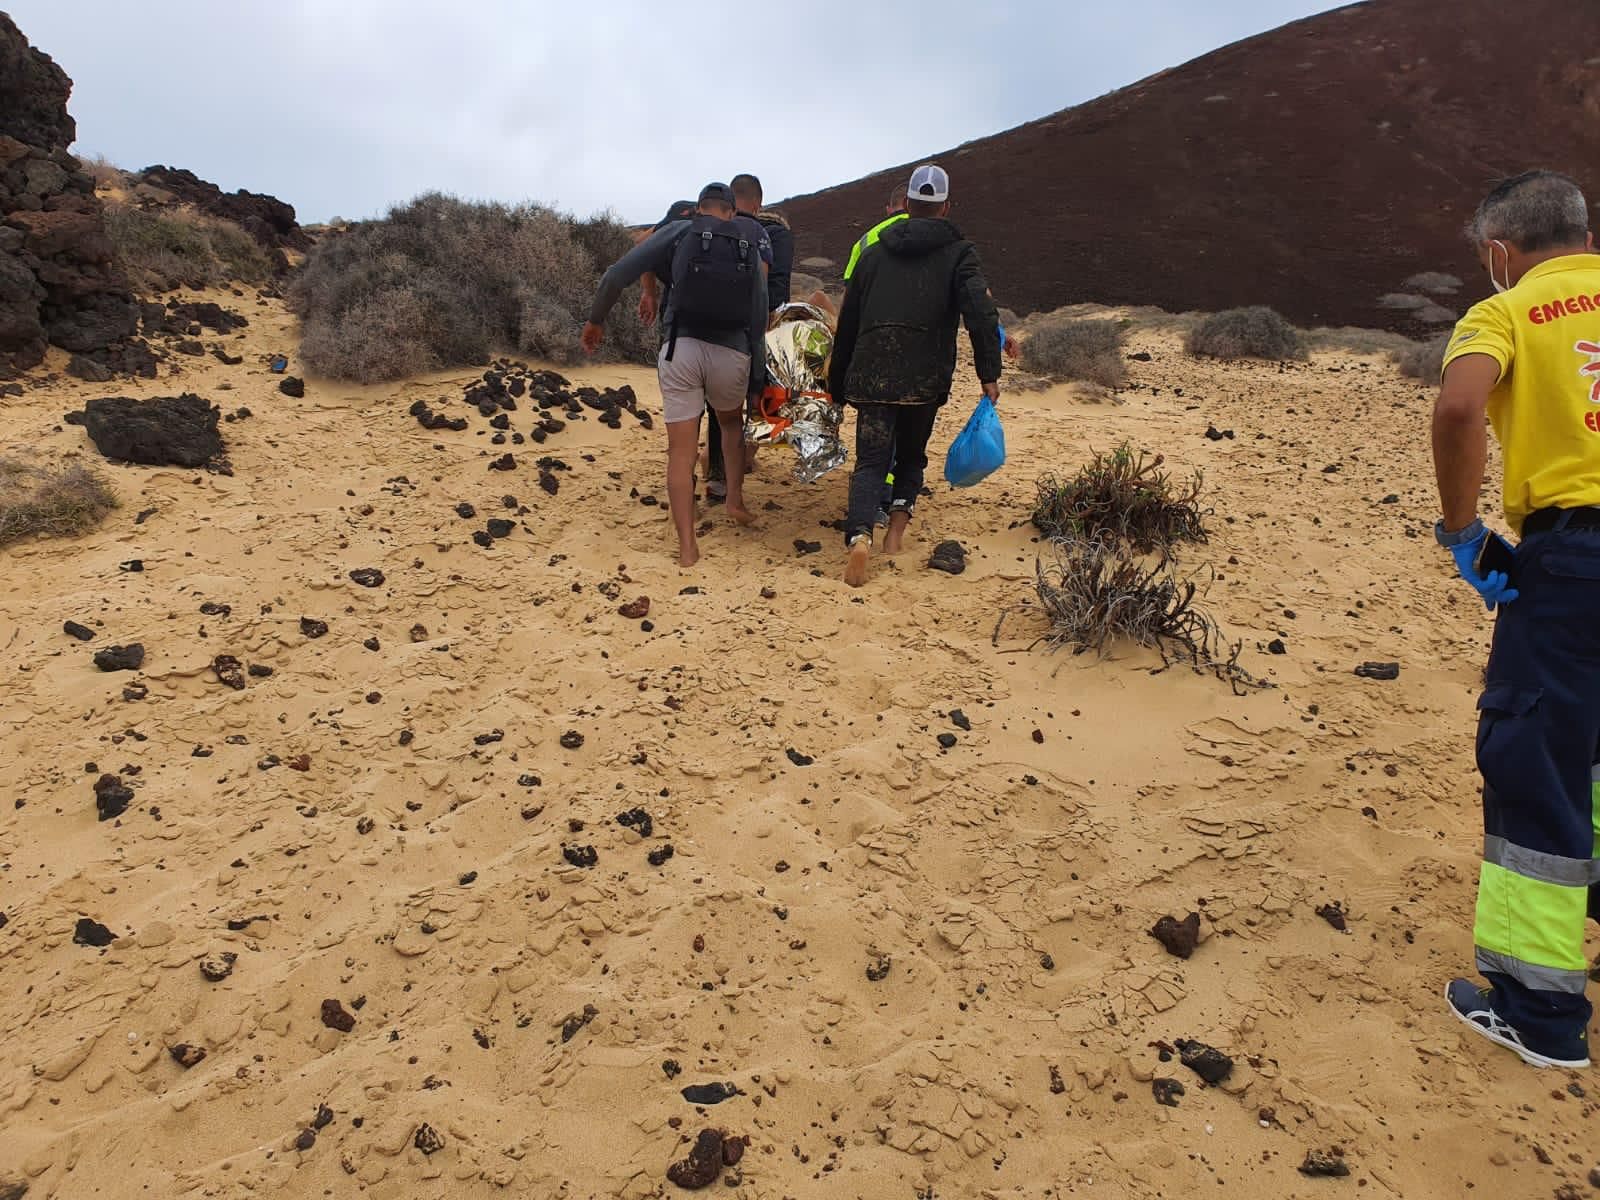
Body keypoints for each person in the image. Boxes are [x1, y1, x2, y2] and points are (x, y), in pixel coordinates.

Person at [1433, 169, 1600, 1070]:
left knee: (1534, 758)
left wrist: (1462, 531)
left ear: (1502, 252)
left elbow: (1459, 406)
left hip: (1573, 561)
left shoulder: (1504, 312)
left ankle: (1540, 1016)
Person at [829, 163, 1001, 587]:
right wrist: (988, 372)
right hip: (924, 378)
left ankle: (859, 537)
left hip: (871, 374)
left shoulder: (872, 253)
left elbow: (848, 319)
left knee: (870, 463)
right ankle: (895, 537)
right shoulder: (960, 253)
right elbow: (980, 312)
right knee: (910, 456)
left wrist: (837, 382)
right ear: (944, 208)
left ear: (906, 205)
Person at [583, 182, 767, 567]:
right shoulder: (748, 240)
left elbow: (617, 274)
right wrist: (757, 380)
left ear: (698, 208)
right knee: (730, 426)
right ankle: (734, 500)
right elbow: (758, 313)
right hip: (731, 353)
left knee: (681, 453)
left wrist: (596, 320)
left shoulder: (680, 230)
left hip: (681, 347)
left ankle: (687, 547)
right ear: (732, 212)